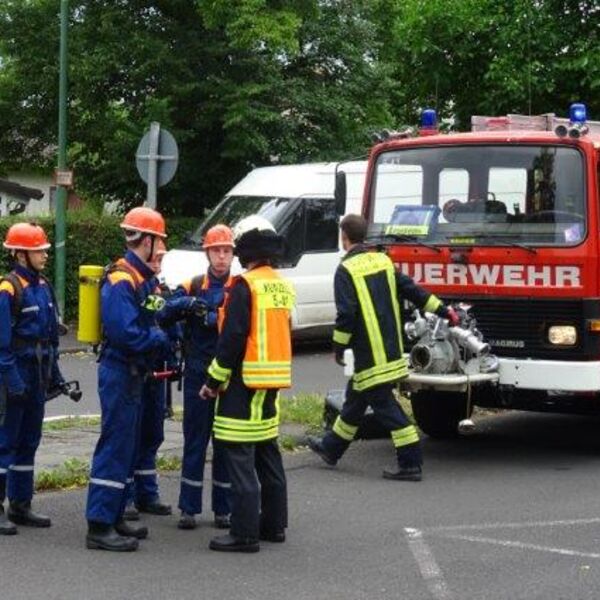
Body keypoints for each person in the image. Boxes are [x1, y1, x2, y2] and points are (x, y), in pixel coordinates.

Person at [307, 214, 458, 480]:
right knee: (354, 401)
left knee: (385, 406)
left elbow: (346, 315)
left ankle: (410, 463)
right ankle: (331, 448)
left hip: (368, 355)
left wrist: (338, 347)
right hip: (389, 348)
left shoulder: (346, 270)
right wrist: (445, 311)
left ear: (345, 238)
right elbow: (414, 291)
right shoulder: (383, 261)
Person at [200, 216, 295, 553]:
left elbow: (232, 338)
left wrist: (213, 380)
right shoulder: (281, 284)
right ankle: (274, 525)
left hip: (245, 381)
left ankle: (244, 533)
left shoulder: (245, 285)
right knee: (268, 453)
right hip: (273, 381)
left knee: (239, 456)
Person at [85, 207, 171, 552]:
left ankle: (116, 514)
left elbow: (154, 312)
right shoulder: (121, 280)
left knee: (128, 447)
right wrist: (159, 339)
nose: (160, 247)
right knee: (115, 447)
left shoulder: (141, 278)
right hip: (121, 371)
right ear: (147, 240)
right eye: (159, 241)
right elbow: (127, 334)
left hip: (134, 374)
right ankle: (99, 524)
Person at [157, 224, 234, 530]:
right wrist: (187, 305)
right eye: (217, 250)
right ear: (207, 252)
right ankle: (189, 508)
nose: (222, 256)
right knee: (195, 440)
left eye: (227, 251)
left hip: (227, 374)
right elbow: (162, 312)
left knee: (225, 443)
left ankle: (223, 510)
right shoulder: (192, 285)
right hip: (198, 371)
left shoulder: (239, 286)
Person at [0, 223, 64, 535]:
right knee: (5, 442)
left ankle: (21, 504)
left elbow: (52, 337)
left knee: (29, 440)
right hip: (15, 375)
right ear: (20, 254)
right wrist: (12, 380)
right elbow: (2, 345)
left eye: (44, 250)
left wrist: (56, 373)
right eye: (39, 250)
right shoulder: (8, 289)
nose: (44, 255)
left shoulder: (44, 286)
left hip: (38, 374)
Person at [124, 238, 173, 520]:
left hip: (155, 369)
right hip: (136, 368)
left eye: (161, 259)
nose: (158, 262)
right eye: (156, 257)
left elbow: (161, 317)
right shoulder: (128, 280)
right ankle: (128, 497)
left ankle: (147, 493)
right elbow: (137, 329)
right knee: (131, 434)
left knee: (152, 433)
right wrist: (158, 336)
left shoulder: (154, 285)